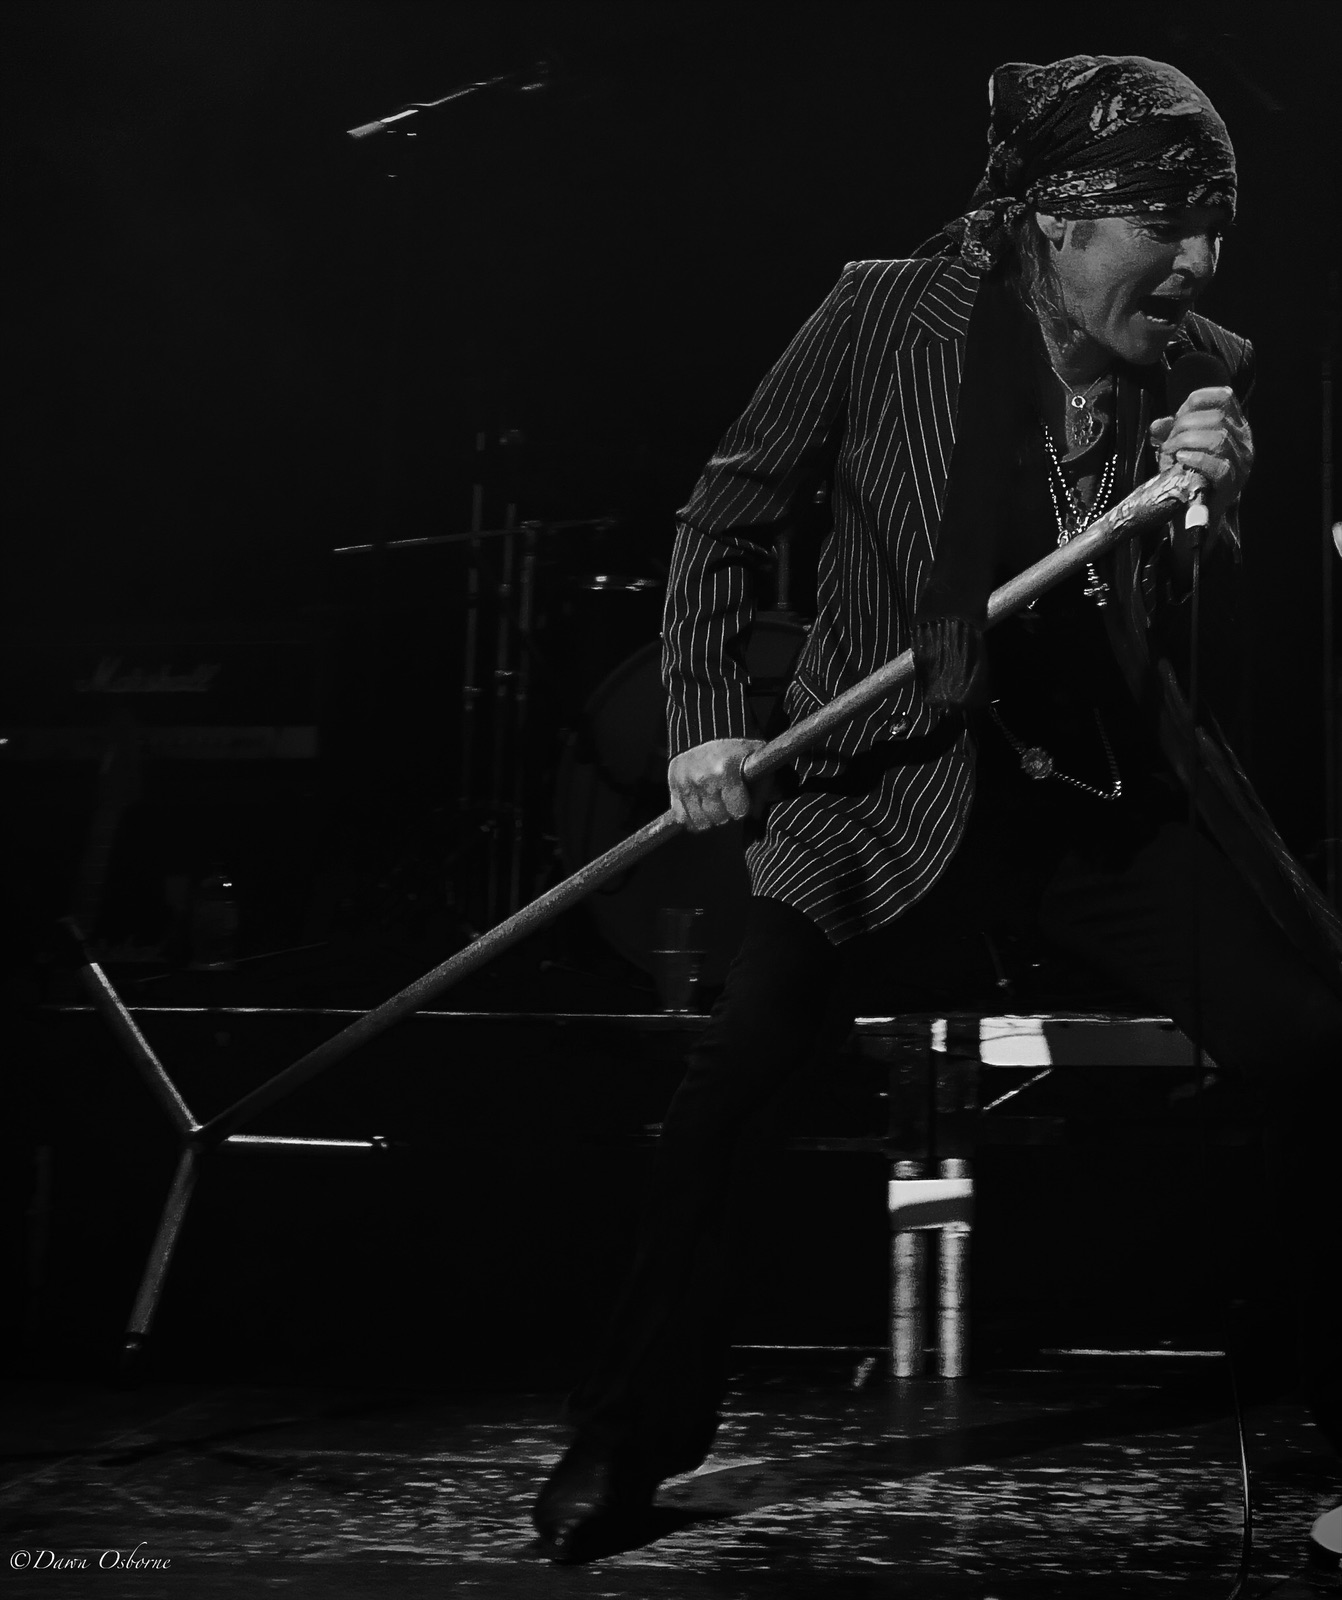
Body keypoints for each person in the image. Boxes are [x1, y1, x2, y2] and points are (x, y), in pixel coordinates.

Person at [532, 54, 1342, 1563]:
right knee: (729, 1094)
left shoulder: (1197, 371)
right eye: (1166, 223)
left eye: (1214, 225)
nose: (1199, 261)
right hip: (881, 790)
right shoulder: (882, 313)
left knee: (1315, 1042)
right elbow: (725, 514)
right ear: (1057, 217)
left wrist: (1208, 511)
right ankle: (627, 1438)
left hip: (1087, 799)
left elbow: (1180, 624)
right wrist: (705, 728)